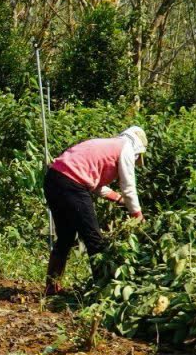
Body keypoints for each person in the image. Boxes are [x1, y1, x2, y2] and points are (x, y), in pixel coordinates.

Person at [43, 125, 148, 297]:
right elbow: (129, 187)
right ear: (139, 148)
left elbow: (94, 183)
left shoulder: (108, 145)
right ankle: (102, 292)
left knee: (66, 237)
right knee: (94, 240)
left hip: (54, 179)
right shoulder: (127, 149)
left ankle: (51, 287)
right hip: (71, 184)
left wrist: (118, 199)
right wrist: (138, 215)